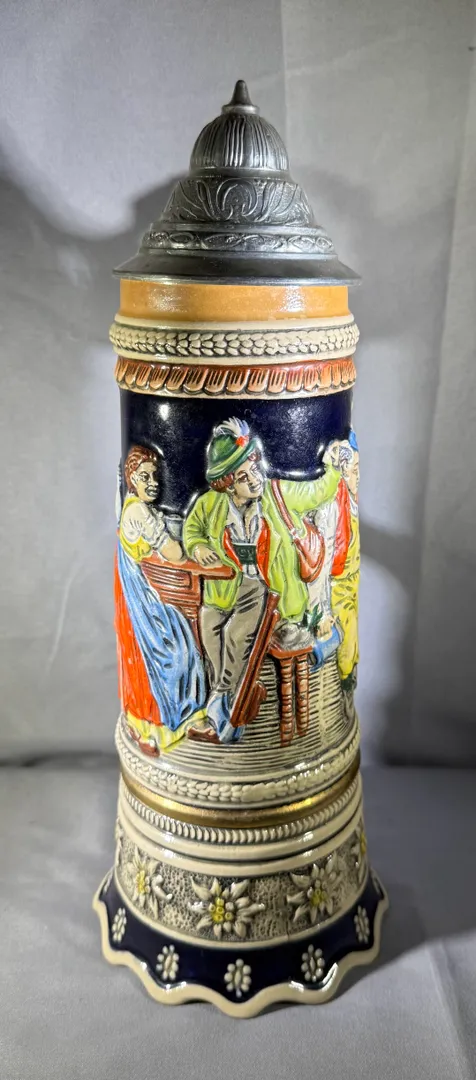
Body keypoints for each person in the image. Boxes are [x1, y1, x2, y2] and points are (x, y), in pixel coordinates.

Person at [182, 418, 340, 744]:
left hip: (267, 590)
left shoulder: (277, 494)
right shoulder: (210, 505)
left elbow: (317, 492)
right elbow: (192, 529)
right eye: (243, 477)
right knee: (209, 626)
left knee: (235, 635)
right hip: (224, 589)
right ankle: (227, 696)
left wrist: (336, 465)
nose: (255, 479)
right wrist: (197, 547)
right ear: (228, 484)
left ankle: (224, 712)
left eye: (255, 469)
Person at [114, 444, 206, 754]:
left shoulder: (138, 506)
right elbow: (174, 552)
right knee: (175, 648)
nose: (153, 483)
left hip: (141, 590)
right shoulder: (138, 511)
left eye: (154, 476)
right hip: (139, 597)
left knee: (180, 640)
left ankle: (185, 717)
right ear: (131, 479)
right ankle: (157, 724)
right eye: (144, 477)